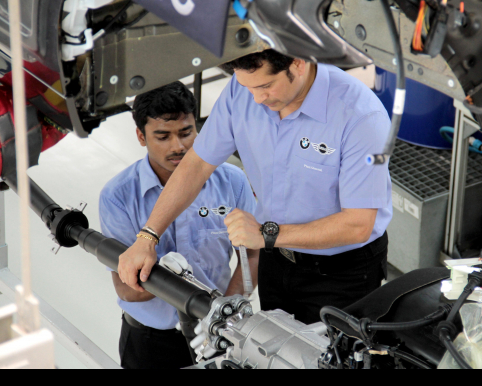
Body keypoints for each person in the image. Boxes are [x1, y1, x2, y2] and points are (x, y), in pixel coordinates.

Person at [118, 49, 393, 325]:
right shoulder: (242, 90)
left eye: (265, 86)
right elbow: (197, 164)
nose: (257, 99)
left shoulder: (361, 117)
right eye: (248, 87)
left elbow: (359, 224)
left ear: (298, 63)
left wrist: (267, 234)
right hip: (276, 261)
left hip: (343, 274)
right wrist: (148, 237)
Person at [99, 81, 258, 369]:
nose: (179, 146)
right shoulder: (118, 196)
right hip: (151, 341)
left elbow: (253, 255)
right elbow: (127, 289)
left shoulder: (232, 181)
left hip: (219, 333)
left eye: (187, 133)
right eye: (163, 136)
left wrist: (225, 312)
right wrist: (177, 280)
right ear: (140, 136)